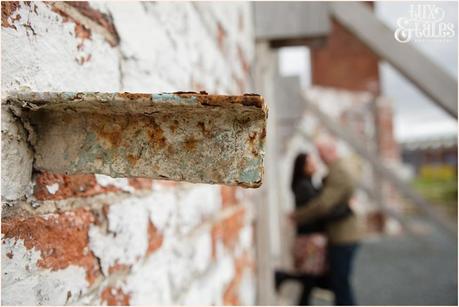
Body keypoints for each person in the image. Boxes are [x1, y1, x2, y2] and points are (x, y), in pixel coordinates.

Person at [291, 139, 364, 306]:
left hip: (342, 235)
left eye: (320, 153)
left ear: (330, 151)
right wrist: (347, 207)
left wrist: (297, 216)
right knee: (333, 281)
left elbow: (325, 205)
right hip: (335, 235)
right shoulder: (340, 168)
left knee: (338, 282)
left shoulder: (338, 170)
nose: (319, 158)